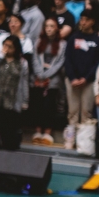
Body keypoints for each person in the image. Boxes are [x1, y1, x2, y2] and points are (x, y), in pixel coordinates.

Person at [62, 9, 99, 150]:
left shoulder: (96, 40)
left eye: (86, 19)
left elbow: (97, 63)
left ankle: (83, 143)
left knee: (86, 113)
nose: (83, 22)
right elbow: (68, 60)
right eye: (82, 19)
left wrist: (86, 78)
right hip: (72, 81)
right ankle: (70, 141)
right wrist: (72, 78)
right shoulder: (73, 38)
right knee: (72, 112)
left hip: (89, 83)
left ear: (93, 21)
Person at [0, 35, 29, 150]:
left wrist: (25, 101)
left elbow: (24, 82)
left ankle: (10, 153)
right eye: (5, 45)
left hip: (12, 101)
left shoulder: (22, 63)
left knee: (10, 129)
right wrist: (0, 56)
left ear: (16, 48)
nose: (7, 48)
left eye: (10, 46)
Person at [31, 18, 67, 146]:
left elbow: (60, 63)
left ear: (57, 28)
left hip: (53, 79)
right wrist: (40, 73)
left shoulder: (62, 44)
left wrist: (47, 74)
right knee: (37, 106)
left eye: (52, 26)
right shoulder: (38, 42)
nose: (49, 29)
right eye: (47, 26)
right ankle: (38, 132)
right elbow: (34, 59)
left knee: (49, 106)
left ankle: (47, 132)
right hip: (38, 78)